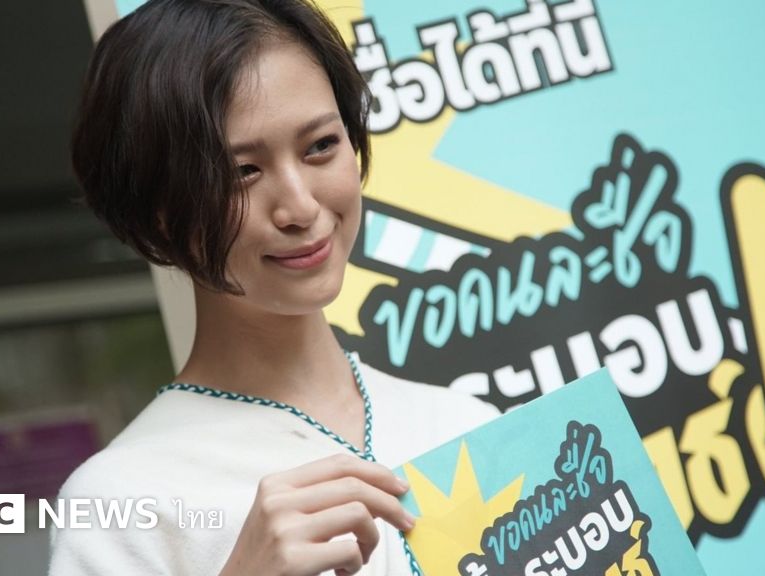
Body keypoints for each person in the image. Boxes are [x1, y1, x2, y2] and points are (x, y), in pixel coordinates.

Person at [49, 1, 499, 574]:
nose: (300, 207)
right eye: (242, 172)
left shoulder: (467, 424)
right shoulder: (119, 503)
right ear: (155, 210)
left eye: (320, 146)